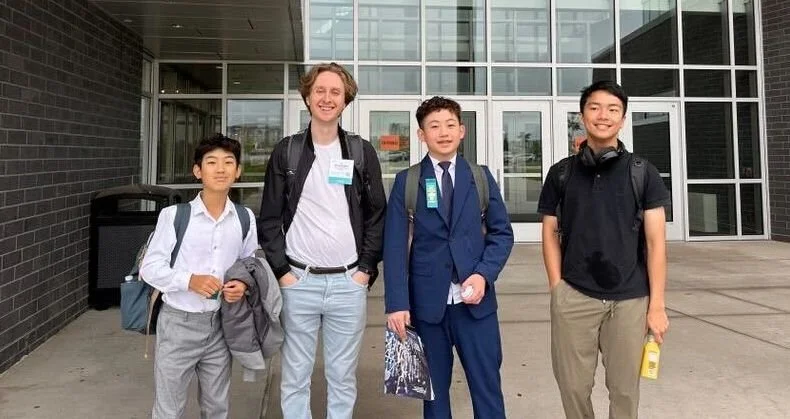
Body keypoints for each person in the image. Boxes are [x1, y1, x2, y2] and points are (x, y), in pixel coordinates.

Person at [257, 62, 386, 418]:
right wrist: (283, 272)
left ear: (346, 100)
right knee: (295, 375)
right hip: (299, 282)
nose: (327, 98)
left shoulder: (361, 152)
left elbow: (378, 214)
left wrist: (365, 270)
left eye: (335, 92)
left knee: (342, 376)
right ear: (307, 97)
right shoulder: (288, 152)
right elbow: (268, 218)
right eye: (320, 91)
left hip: (348, 283)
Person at [537, 80, 670, 419]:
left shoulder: (643, 173)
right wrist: (557, 289)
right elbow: (550, 231)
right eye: (594, 108)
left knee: (625, 391)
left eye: (613, 109)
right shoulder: (561, 173)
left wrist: (657, 305)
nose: (603, 116)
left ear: (623, 119)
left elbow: (656, 243)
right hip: (575, 296)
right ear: (582, 115)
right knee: (572, 387)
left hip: (630, 300)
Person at [384, 96, 514, 419]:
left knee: (488, 392)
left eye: (450, 125)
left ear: (462, 131)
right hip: (428, 310)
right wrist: (397, 303)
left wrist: (483, 274)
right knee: (435, 399)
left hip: (477, 308)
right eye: (434, 126)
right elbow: (396, 247)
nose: (443, 132)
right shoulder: (408, 181)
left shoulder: (480, 177)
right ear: (421, 134)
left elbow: (502, 234)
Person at [140, 133, 259, 419]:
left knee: (217, 407)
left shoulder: (244, 217)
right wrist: (189, 280)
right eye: (212, 162)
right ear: (198, 170)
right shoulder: (174, 216)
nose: (221, 169)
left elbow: (250, 261)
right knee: (169, 410)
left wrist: (241, 284)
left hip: (221, 324)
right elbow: (149, 268)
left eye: (229, 162)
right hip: (179, 323)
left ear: (238, 171)